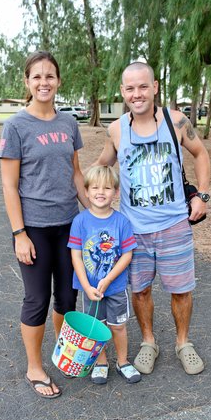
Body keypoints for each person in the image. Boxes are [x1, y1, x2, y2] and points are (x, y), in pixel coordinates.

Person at [94, 62, 211, 375]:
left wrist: (202, 195)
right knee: (140, 290)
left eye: (143, 86)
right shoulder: (116, 129)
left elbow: (201, 154)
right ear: (122, 92)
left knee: (181, 290)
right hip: (134, 231)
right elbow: (101, 168)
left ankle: (183, 343)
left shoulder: (176, 121)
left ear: (155, 87)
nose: (137, 94)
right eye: (130, 88)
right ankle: (149, 342)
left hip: (174, 226)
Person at [0, 50, 89, 398]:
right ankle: (34, 367)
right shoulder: (16, 126)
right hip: (34, 228)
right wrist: (19, 234)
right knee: (37, 298)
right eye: (36, 76)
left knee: (67, 296)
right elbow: (9, 185)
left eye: (49, 76)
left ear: (58, 81)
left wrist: (96, 215)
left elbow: (76, 174)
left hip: (69, 225)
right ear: (27, 81)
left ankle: (62, 351)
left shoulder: (68, 123)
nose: (43, 82)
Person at [68, 165, 141, 384]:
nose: (101, 192)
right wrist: (86, 286)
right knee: (96, 327)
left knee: (118, 326)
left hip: (116, 287)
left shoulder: (121, 222)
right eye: (95, 188)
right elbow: (76, 256)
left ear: (116, 193)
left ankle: (122, 361)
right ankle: (100, 362)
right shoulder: (80, 221)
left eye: (107, 188)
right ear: (87, 192)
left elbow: (127, 255)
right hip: (90, 289)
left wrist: (108, 279)